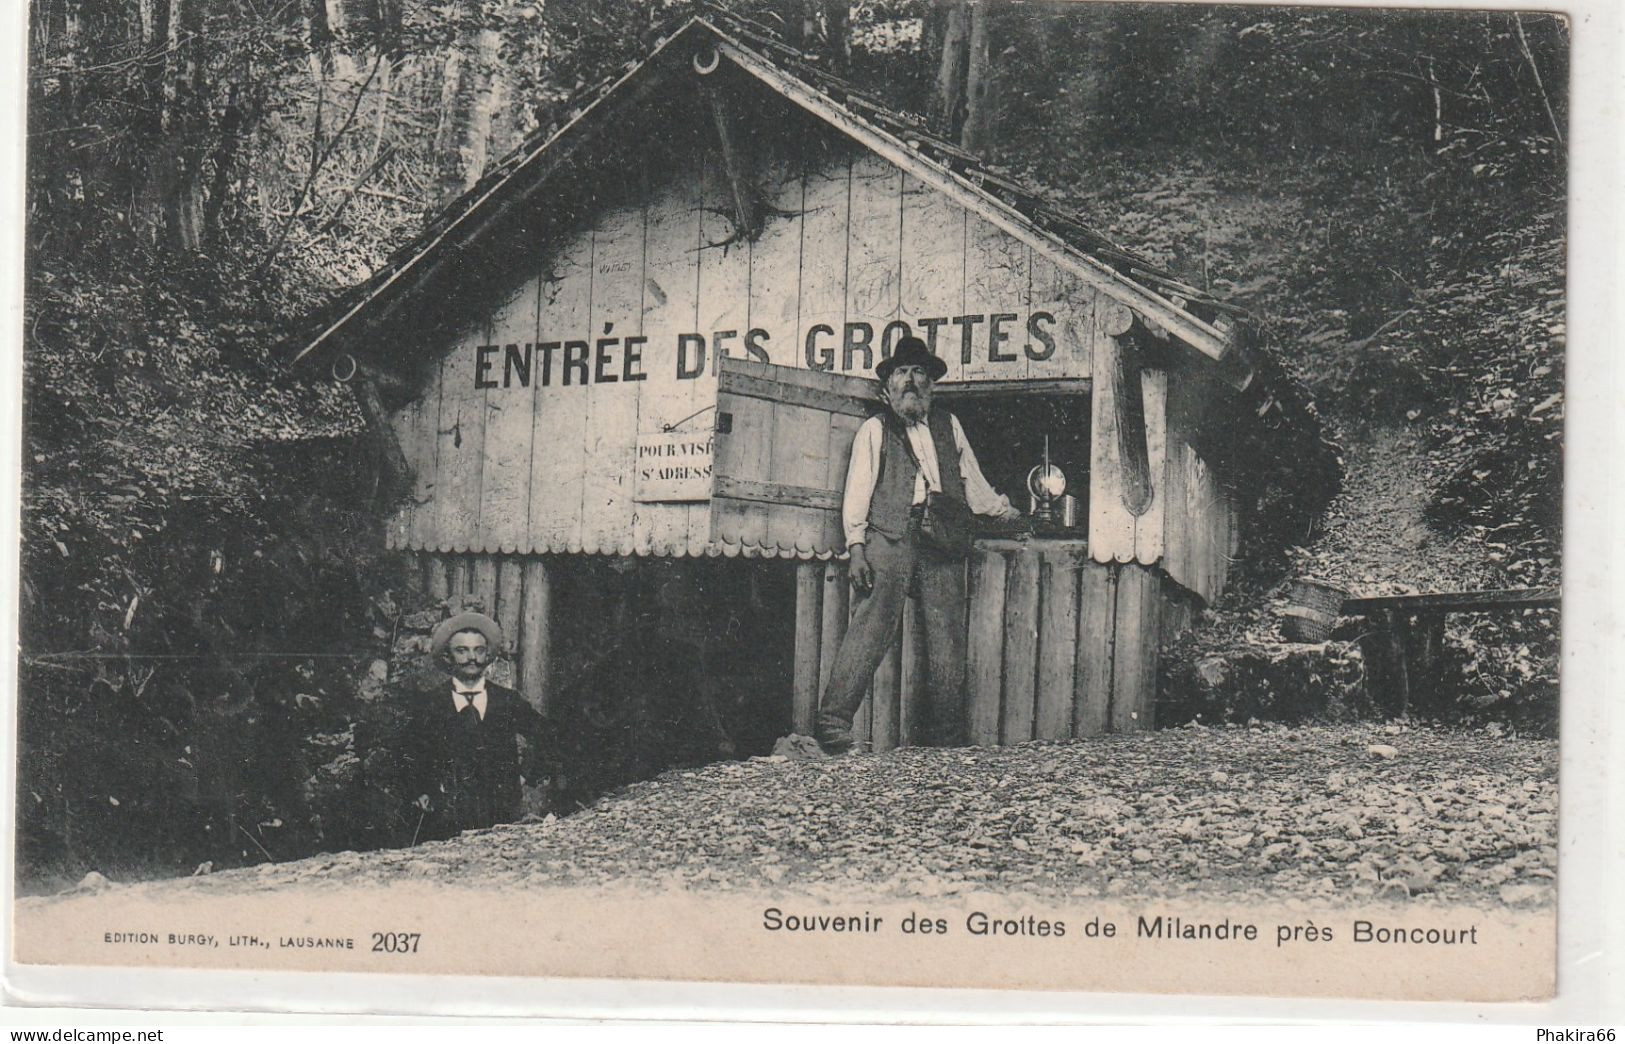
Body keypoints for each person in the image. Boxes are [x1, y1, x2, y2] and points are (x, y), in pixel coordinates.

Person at [814, 337, 1023, 754]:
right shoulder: (874, 429)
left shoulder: (949, 426)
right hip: (889, 534)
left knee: (947, 636)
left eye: (919, 373)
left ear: (932, 385)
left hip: (940, 537)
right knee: (872, 627)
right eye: (902, 373)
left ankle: (947, 742)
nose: (910, 380)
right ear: (888, 387)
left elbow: (974, 484)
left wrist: (1007, 513)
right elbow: (857, 490)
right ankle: (832, 725)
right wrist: (856, 547)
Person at [393, 611, 551, 843]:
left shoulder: (506, 700)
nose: (471, 658)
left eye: (479, 650)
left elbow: (547, 735)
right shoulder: (431, 703)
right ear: (448, 656)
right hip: (445, 817)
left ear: (488, 656)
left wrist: (526, 776)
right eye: (462, 650)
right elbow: (408, 752)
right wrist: (419, 790)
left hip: (501, 814)